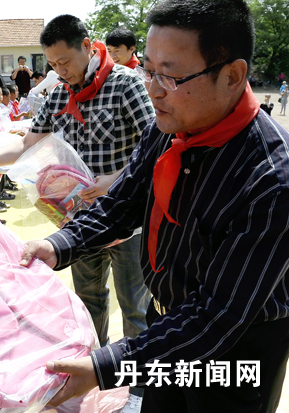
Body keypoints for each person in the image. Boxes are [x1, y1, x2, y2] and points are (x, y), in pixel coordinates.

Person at [19, 1, 289, 412]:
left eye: (172, 75)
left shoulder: (270, 180)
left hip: (234, 353)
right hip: (167, 333)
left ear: (232, 76)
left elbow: (219, 313)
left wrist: (106, 367)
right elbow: (122, 203)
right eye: (148, 69)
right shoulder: (169, 129)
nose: (152, 88)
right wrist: (57, 245)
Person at [0, 14, 155, 409]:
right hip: (79, 224)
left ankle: (139, 389)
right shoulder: (59, 94)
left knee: (135, 305)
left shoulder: (126, 85)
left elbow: (156, 144)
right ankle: (94, 376)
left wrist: (114, 179)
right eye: (53, 65)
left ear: (86, 45)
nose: (60, 71)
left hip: (127, 218)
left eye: (65, 61)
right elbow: (29, 142)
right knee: (88, 301)